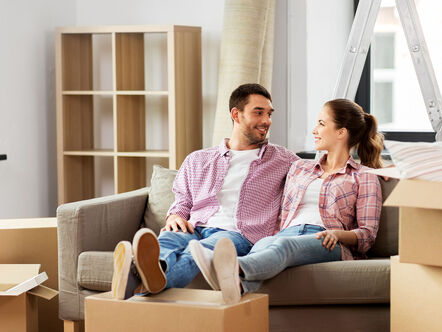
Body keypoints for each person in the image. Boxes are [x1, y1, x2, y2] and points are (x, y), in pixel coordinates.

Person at [111, 83, 299, 300]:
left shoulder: (283, 160)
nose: (266, 121)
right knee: (167, 241)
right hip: (195, 225)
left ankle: (130, 283)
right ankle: (145, 277)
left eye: (269, 114)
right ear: (236, 115)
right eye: (258, 113)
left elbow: (318, 176)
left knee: (196, 253)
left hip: (239, 234)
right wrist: (175, 215)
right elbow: (182, 200)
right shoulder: (198, 159)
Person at [190, 98, 384, 304]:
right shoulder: (299, 168)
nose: (314, 130)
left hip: (327, 239)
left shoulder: (365, 176)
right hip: (286, 232)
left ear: (341, 132)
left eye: (321, 123)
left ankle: (227, 267)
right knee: (265, 245)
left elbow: (367, 235)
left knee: (283, 247)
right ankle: (238, 285)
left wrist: (337, 234)